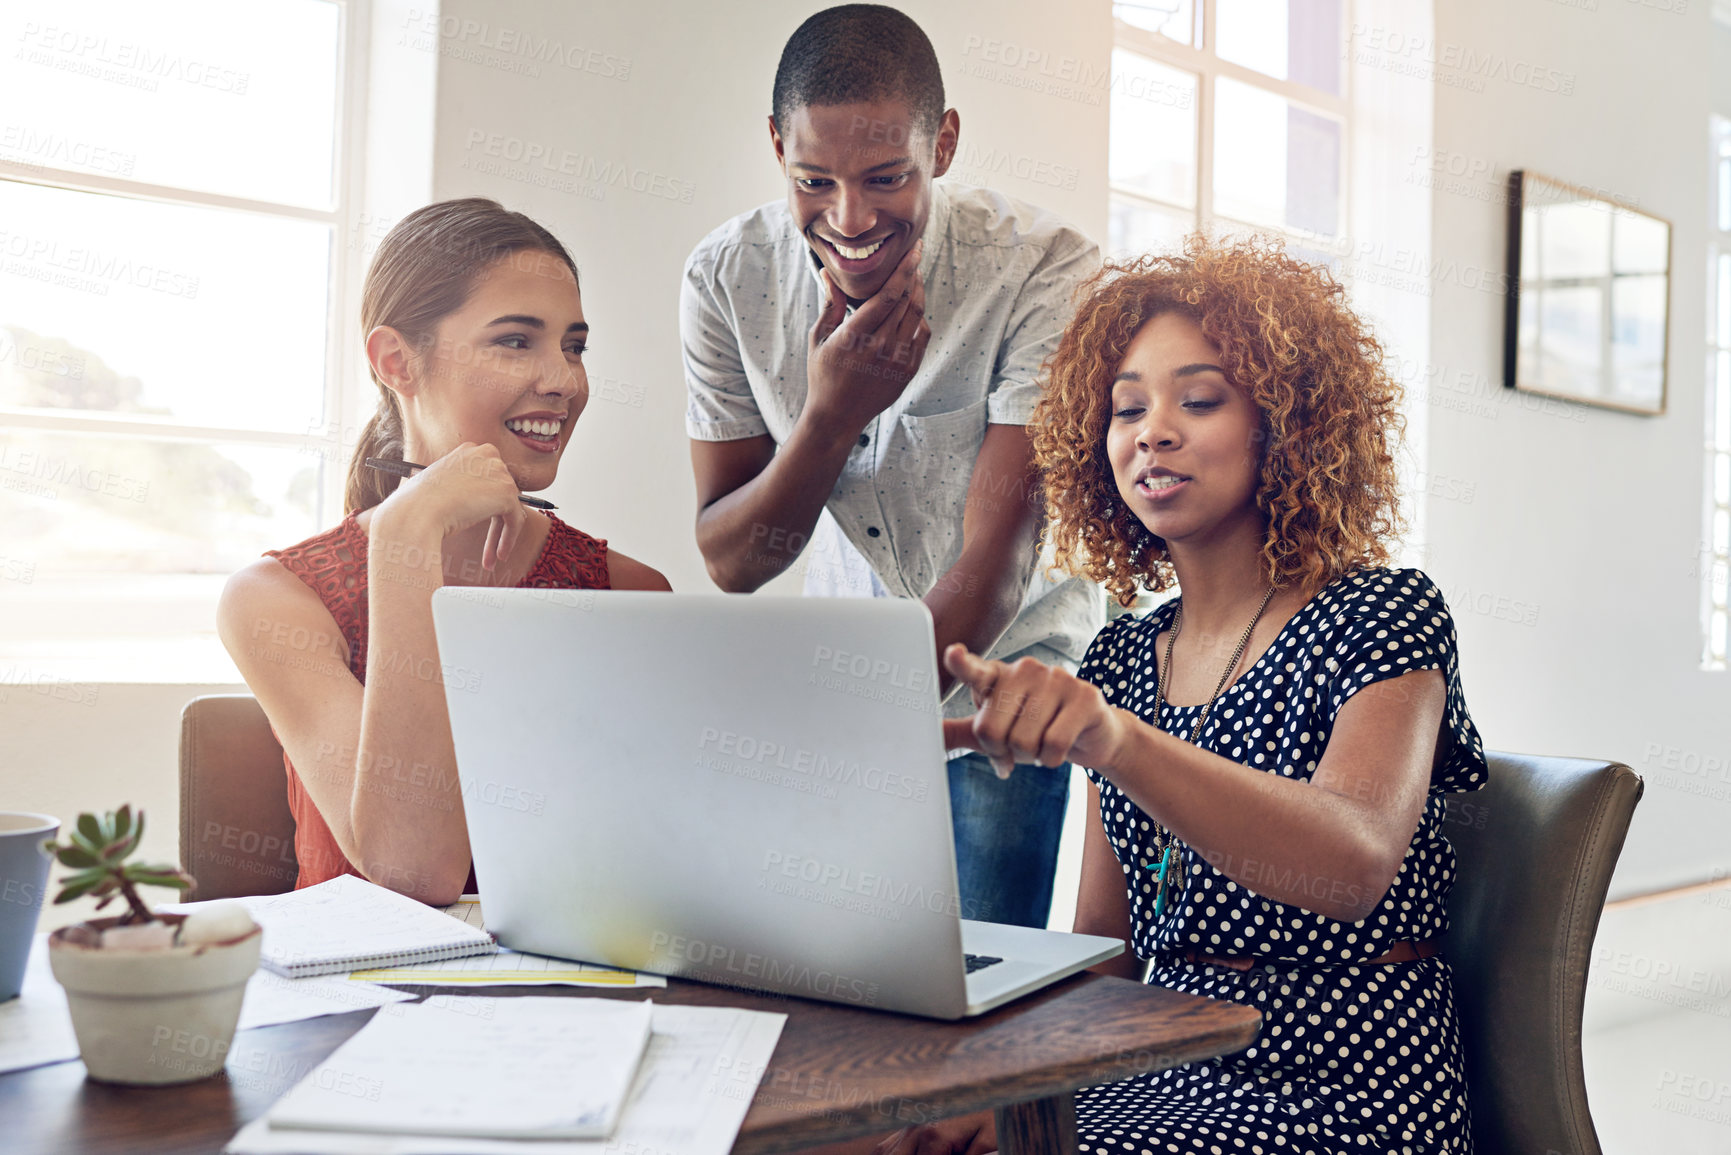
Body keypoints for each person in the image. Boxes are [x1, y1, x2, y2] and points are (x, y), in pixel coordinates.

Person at [876, 236, 1487, 1153]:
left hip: (1341, 1082)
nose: (1151, 430)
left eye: (1197, 400)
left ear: (1286, 422)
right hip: (1154, 1056)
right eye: (1126, 408)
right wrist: (997, 1087)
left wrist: (1120, 743)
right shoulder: (1122, 655)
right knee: (880, 1130)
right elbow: (1106, 948)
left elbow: (1351, 863)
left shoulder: (1383, 610)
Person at [681, 4, 1106, 930]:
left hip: (1005, 674)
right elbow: (732, 561)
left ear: (942, 144)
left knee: (979, 991)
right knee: (828, 983)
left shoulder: (1044, 269)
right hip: (843, 665)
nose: (849, 217)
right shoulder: (724, 278)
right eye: (813, 180)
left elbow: (994, 570)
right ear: (774, 145)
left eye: (885, 178)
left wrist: (835, 727)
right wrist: (830, 415)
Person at [217, 198, 670, 906]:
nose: (565, 380)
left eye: (574, 345)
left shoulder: (631, 595)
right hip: (357, 1004)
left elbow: (650, 881)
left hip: (569, 1004)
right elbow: (412, 869)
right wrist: (405, 538)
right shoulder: (277, 601)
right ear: (396, 360)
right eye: (517, 341)